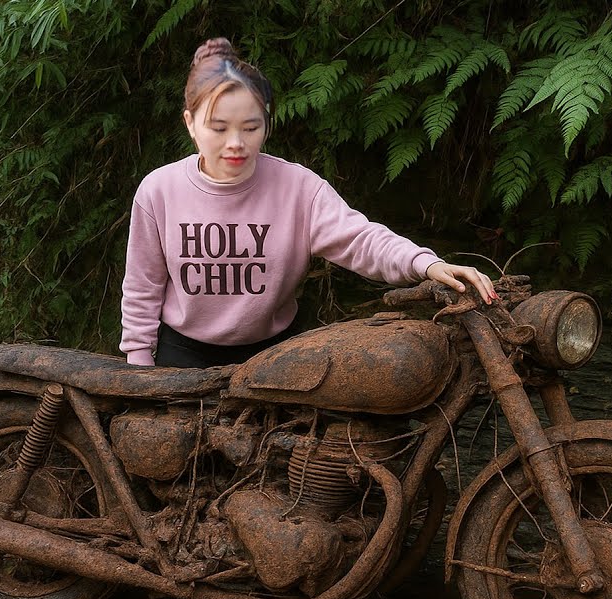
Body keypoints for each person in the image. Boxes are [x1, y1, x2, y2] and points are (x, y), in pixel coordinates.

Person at [120, 37, 496, 368]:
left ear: (267, 124)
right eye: (218, 128)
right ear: (190, 123)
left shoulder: (298, 187)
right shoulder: (159, 190)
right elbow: (143, 285)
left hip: (275, 353)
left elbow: (360, 239)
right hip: (182, 353)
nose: (235, 143)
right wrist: (138, 365)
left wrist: (426, 263)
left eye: (251, 128)